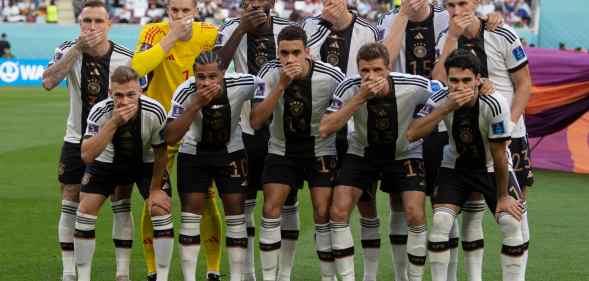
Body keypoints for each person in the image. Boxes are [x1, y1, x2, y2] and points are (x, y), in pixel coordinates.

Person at [378, 2, 503, 279]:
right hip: (400, 118)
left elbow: (444, 73)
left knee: (444, 205)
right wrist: (402, 17)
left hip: (440, 120)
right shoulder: (387, 19)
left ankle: (450, 276)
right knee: (400, 202)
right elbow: (383, 62)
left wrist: (491, 19)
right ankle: (403, 276)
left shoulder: (446, 17)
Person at [320, 42, 444, 281]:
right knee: (338, 211)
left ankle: (413, 279)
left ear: (388, 68)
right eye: (365, 71)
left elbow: (441, 90)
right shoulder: (350, 86)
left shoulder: (412, 84)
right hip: (362, 153)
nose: (370, 76)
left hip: (404, 153)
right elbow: (326, 127)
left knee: (414, 213)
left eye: (377, 70)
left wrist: (424, 115)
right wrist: (360, 97)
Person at [433, 1, 532, 279]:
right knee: (472, 211)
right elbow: (438, 82)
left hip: (509, 135)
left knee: (515, 214)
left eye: (462, 2)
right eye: (450, 5)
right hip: (466, 137)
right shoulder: (446, 37)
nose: (456, 10)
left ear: (475, 2)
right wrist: (452, 37)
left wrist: (508, 127)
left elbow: (524, 84)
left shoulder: (502, 33)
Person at [407, 49, 525, 281]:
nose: (459, 86)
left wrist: (502, 197)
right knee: (441, 221)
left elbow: (500, 153)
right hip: (455, 167)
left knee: (511, 223)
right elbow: (412, 134)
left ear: (478, 80)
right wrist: (445, 108)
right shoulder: (441, 99)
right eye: (454, 81)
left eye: (466, 80)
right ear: (447, 80)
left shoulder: (495, 103)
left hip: (491, 167)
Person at [41, 2, 135, 280]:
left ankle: (122, 272)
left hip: (116, 141)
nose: (91, 27)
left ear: (109, 24)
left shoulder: (125, 57)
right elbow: (48, 81)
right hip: (75, 138)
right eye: (86, 21)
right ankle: (69, 272)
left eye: (98, 21)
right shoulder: (67, 49)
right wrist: (77, 49)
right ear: (79, 23)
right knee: (69, 197)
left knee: (121, 200)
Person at [131, 1, 222, 280]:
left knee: (205, 200)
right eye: (174, 11)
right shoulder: (152, 32)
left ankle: (213, 269)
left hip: (197, 129)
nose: (180, 16)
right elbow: (138, 67)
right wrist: (170, 37)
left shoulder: (209, 33)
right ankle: (153, 270)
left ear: (195, 10)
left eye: (185, 11)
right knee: (155, 200)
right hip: (161, 131)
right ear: (168, 11)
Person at [251, 25, 344, 281]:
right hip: (282, 150)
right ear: (278, 53)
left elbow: (345, 116)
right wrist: (281, 85)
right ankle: (274, 277)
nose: (290, 59)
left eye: (295, 52)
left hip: (320, 150)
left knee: (322, 212)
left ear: (308, 52)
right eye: (284, 53)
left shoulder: (332, 76)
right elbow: (256, 121)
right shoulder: (269, 73)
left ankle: (328, 277)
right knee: (271, 209)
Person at [164, 50, 264, 281]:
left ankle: (237, 277)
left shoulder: (241, 83)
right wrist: (195, 104)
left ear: (223, 75)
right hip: (194, 152)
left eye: (212, 77)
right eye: (201, 77)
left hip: (231, 151)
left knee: (236, 215)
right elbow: (170, 137)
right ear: (194, 75)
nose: (206, 82)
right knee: (190, 216)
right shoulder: (185, 91)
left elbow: (262, 84)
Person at [215, 1, 296, 279]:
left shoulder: (289, 29)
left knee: (286, 203)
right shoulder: (228, 29)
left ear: (272, 3)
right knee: (245, 202)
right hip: (243, 131)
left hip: (283, 131)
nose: (254, 4)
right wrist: (240, 31)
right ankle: (248, 273)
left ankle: (283, 274)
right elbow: (215, 70)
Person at [302, 3, 382, 279]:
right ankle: (331, 275)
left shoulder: (369, 30)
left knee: (366, 202)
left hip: (356, 128)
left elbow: (380, 68)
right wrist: (324, 26)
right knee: (325, 208)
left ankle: (369, 275)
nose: (330, 3)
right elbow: (304, 58)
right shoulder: (310, 27)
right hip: (320, 127)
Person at [75, 66, 172, 281]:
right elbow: (87, 156)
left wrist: (155, 189)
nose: (124, 101)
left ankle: (162, 277)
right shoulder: (100, 110)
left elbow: (161, 153)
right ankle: (85, 277)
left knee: (161, 209)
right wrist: (113, 122)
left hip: (145, 163)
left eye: (131, 95)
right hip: (107, 161)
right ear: (110, 93)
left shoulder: (155, 110)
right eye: (118, 95)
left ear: (140, 92)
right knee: (84, 211)